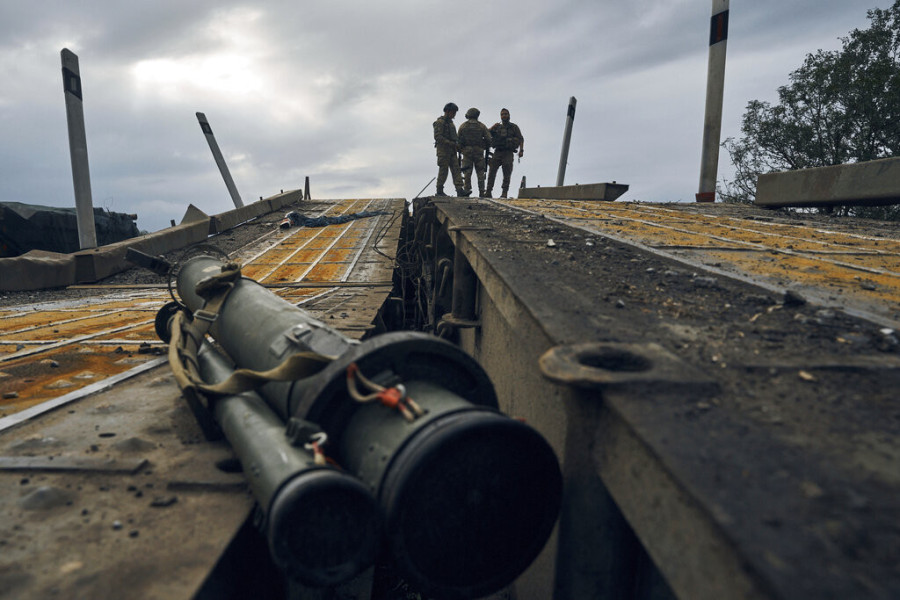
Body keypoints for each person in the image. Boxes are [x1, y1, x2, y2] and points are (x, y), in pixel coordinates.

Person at [486, 108, 524, 199]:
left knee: (507, 173)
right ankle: (488, 192)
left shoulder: (514, 127)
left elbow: (521, 139)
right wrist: (492, 127)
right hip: (497, 152)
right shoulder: (497, 127)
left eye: (506, 114)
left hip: (508, 152)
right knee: (492, 172)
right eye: (502, 114)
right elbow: (486, 133)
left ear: (509, 115)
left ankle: (504, 192)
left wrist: (521, 150)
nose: (504, 116)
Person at [433, 102, 468, 197]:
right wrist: (450, 143)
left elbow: (454, 137)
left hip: (452, 151)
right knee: (443, 170)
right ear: (447, 111)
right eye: (453, 112)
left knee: (456, 170)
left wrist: (457, 145)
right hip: (443, 151)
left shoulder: (451, 123)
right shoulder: (440, 122)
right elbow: (438, 137)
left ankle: (460, 190)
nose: (454, 114)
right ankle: (439, 190)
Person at [457, 108, 493, 197]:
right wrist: (484, 146)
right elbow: (489, 139)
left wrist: (461, 149)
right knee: (480, 172)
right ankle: (482, 192)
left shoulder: (463, 126)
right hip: (479, 152)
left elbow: (458, 140)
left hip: (466, 152)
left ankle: (466, 190)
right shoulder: (482, 126)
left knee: (467, 172)